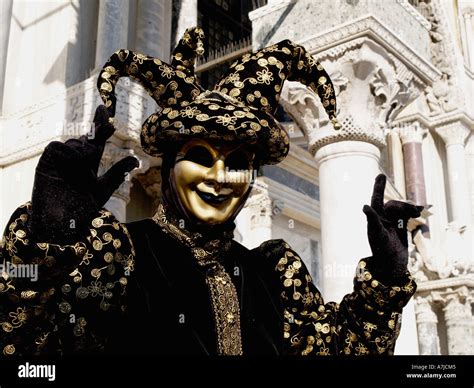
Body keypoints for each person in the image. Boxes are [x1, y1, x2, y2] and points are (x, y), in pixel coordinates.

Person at [0, 28, 422, 356]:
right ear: (168, 166)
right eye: (201, 156)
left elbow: (339, 351)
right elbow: (28, 344)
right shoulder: (121, 257)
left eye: (237, 163)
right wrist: (47, 243)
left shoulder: (272, 275)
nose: (220, 176)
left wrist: (385, 281)